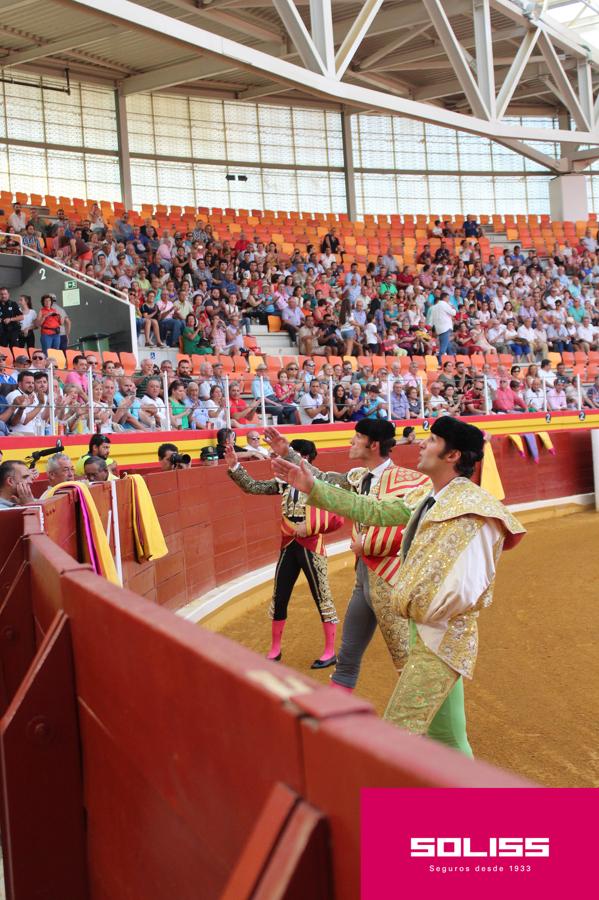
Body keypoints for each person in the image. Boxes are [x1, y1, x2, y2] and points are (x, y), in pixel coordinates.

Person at [271, 416, 525, 756]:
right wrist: (313, 488)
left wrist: (416, 606)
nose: (421, 443)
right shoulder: (428, 493)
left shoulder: (473, 508)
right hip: (427, 629)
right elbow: (373, 510)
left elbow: (469, 584)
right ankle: (470, 807)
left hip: (442, 636)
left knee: (398, 740)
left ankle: (410, 810)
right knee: (448, 738)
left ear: (453, 456)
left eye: (433, 440)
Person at [265, 420, 429, 691]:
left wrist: (371, 544)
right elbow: (323, 481)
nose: (351, 441)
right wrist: (287, 452)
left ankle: (426, 727)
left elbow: (412, 528)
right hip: (364, 578)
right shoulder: (357, 477)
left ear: (373, 445)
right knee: (348, 657)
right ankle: (332, 723)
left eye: (358, 437)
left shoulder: (407, 482)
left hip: (391, 580)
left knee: (406, 660)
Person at [226, 438, 342, 668]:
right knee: (280, 596)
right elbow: (253, 487)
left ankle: (330, 651)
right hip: (289, 543)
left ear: (305, 458)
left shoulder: (319, 482)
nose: (285, 459)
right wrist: (234, 467)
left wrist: (309, 528)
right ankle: (275, 649)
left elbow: (336, 518)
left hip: (311, 544)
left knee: (322, 596)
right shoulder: (285, 483)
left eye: (293, 454)